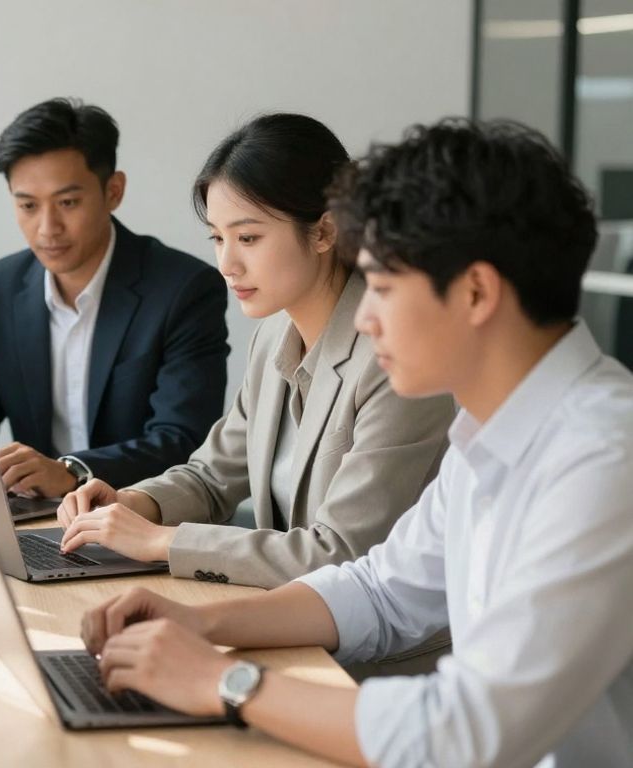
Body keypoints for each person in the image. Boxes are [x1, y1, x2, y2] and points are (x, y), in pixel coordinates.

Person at [80, 119, 633, 767]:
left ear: (476, 292)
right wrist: (200, 623)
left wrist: (225, 682)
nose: (365, 316)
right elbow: (379, 591)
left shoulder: (603, 457)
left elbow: (468, 732)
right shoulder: (488, 437)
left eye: (385, 289)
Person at [56, 114, 454, 598]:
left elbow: (340, 551)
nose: (227, 264)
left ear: (324, 231)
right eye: (217, 238)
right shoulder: (273, 337)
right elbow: (212, 476)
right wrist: (134, 504)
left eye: (248, 238)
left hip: (381, 637)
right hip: (289, 615)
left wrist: (162, 541)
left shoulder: (394, 360)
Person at [0, 98, 229, 499]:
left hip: (143, 512)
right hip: (36, 515)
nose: (47, 228)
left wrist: (73, 471)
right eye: (27, 205)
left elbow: (183, 439)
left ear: (113, 191)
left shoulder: (183, 288)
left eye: (68, 202)